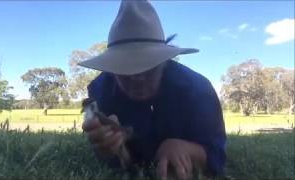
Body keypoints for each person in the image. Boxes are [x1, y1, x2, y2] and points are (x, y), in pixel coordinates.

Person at [80, 0, 226, 179]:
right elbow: (118, 161)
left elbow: (217, 155)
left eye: (148, 66)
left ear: (164, 62)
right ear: (112, 68)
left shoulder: (198, 90)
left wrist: (186, 149)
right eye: (125, 68)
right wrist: (112, 147)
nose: (137, 77)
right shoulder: (100, 91)